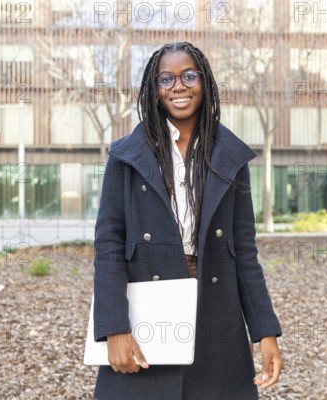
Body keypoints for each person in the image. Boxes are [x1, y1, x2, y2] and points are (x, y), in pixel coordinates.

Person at [92, 41, 283, 400]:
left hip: (215, 311)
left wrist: (264, 332)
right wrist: (114, 328)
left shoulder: (231, 156)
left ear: (204, 82)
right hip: (146, 313)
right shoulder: (125, 156)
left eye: (188, 75)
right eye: (166, 79)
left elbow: (243, 251)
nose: (178, 86)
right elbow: (109, 246)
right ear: (154, 88)